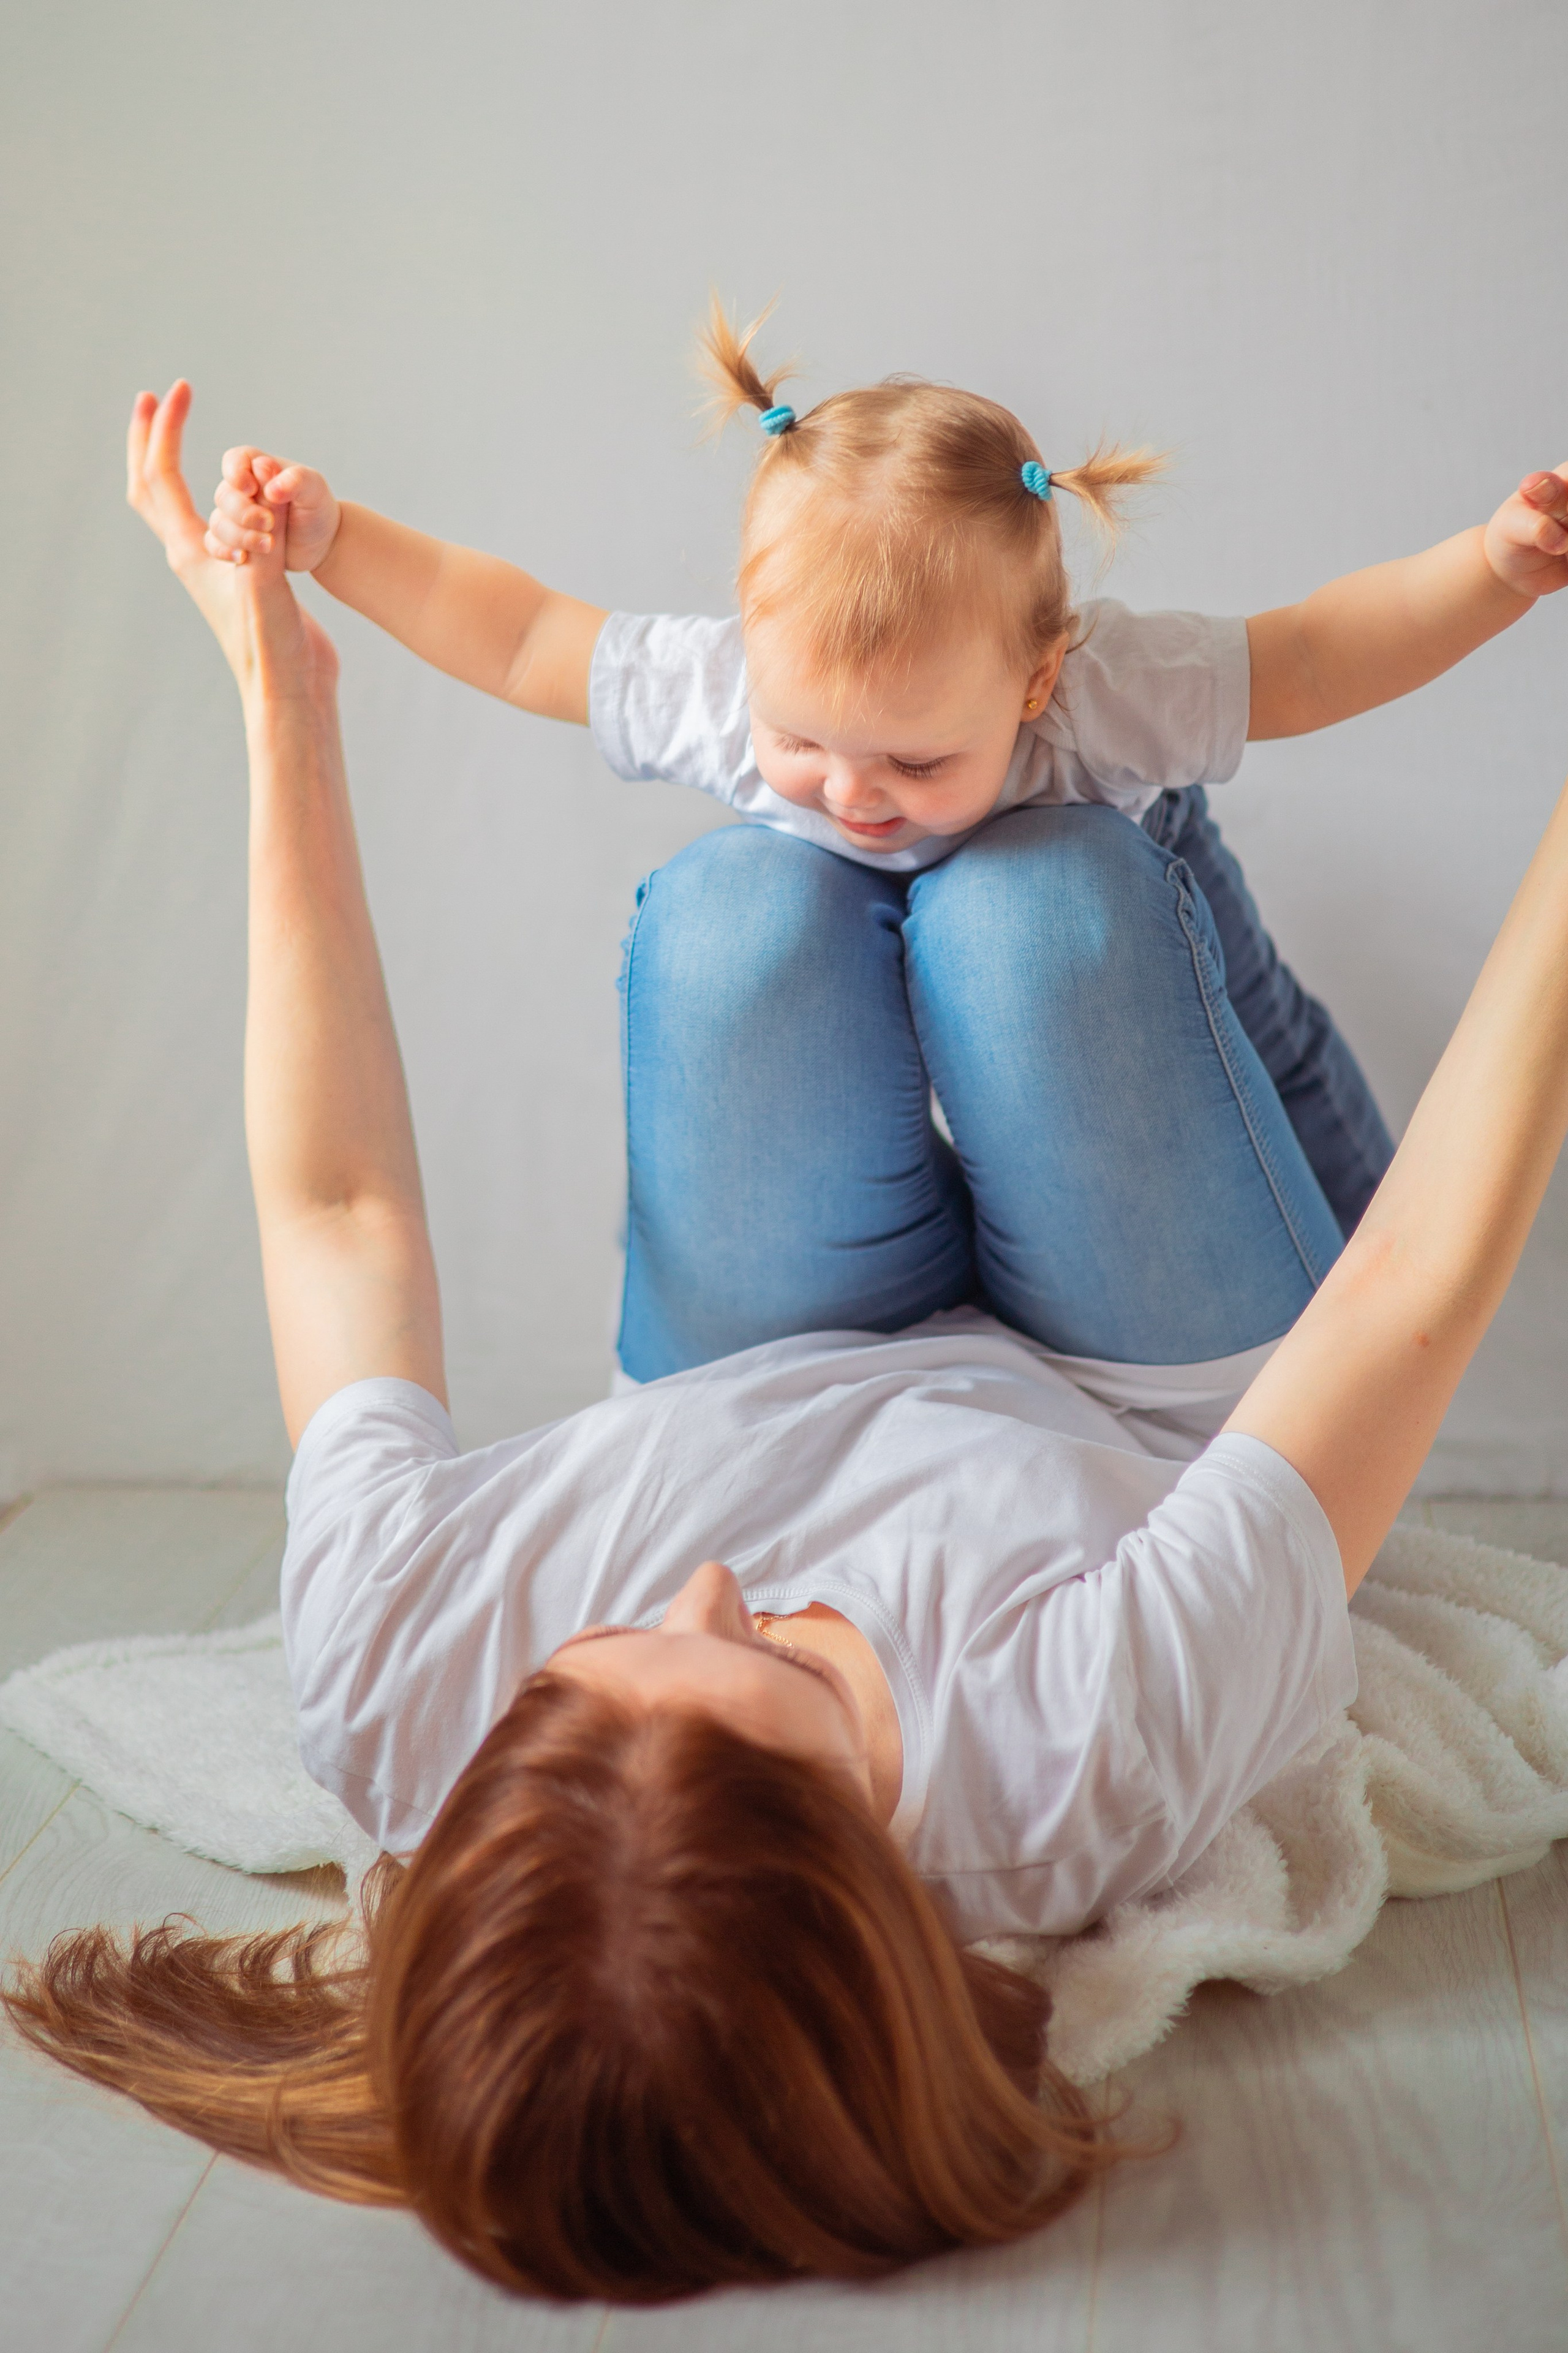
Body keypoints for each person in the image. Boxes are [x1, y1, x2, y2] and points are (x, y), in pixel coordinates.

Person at [9, 380, 1568, 2308]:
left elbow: (335, 1209)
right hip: (1144, 1381)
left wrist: (283, 692)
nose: (725, 1583)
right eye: (787, 1689)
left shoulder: (397, 1682)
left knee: (745, 909)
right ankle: (1165, 890)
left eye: (604, 1656)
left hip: (758, 1343)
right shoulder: (1078, 1753)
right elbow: (1410, 1288)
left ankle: (1018, 845)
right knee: (1038, 907)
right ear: (896, 1900)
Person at [198, 300, 1568, 1247]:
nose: (848, 793)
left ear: (1035, 682)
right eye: (802, 743)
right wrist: (337, 538)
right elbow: (517, 631)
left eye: (914, 757)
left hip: (1174, 983)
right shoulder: (730, 692)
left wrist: (1490, 569)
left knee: (1300, 1112)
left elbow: (1316, 655)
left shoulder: (1098, 696)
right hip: (934, 1043)